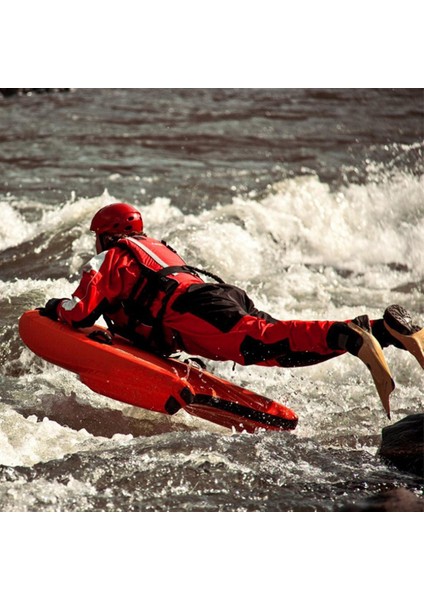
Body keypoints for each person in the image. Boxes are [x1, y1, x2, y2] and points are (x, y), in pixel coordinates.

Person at [40, 202, 424, 413]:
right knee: (279, 349)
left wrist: (55, 307)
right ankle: (382, 330)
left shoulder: (112, 255)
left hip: (196, 310)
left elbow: (79, 310)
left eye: (98, 237)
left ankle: (347, 332)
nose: (97, 244)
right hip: (215, 296)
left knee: (267, 343)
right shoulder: (156, 248)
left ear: (108, 235)